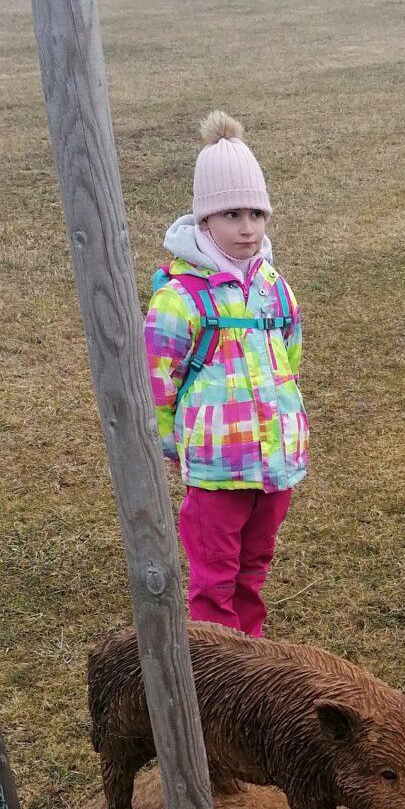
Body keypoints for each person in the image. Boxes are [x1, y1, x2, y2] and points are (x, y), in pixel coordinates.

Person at [144, 111, 308, 636]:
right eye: (232, 214)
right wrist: (172, 444)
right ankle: (216, 664)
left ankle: (250, 658)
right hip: (217, 469)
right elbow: (156, 379)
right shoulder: (180, 299)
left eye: (257, 214)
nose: (247, 228)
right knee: (215, 580)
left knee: (252, 572)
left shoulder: (274, 288)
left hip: (274, 464)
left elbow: (289, 357)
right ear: (204, 220)